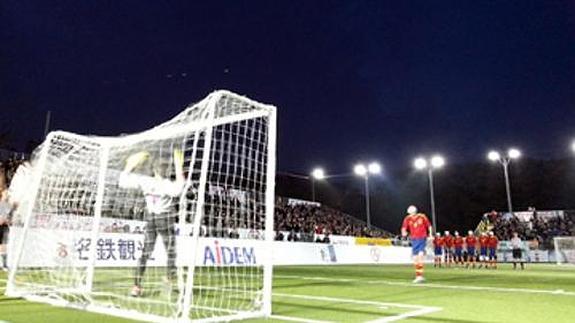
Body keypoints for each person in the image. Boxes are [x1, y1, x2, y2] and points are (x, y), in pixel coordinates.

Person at [119, 150, 185, 297]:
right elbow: (179, 190)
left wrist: (129, 165)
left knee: (145, 253)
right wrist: (180, 168)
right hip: (165, 218)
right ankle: (168, 279)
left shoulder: (145, 181)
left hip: (151, 219)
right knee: (171, 252)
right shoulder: (168, 184)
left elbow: (123, 181)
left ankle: (136, 286)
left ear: (154, 169)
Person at [401, 205, 432, 283]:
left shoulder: (422, 216)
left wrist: (431, 234)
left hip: (422, 238)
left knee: (420, 256)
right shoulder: (407, 218)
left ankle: (419, 276)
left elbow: (429, 226)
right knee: (415, 258)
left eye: (411, 213)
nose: (410, 214)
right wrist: (404, 233)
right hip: (414, 239)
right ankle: (419, 275)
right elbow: (404, 228)